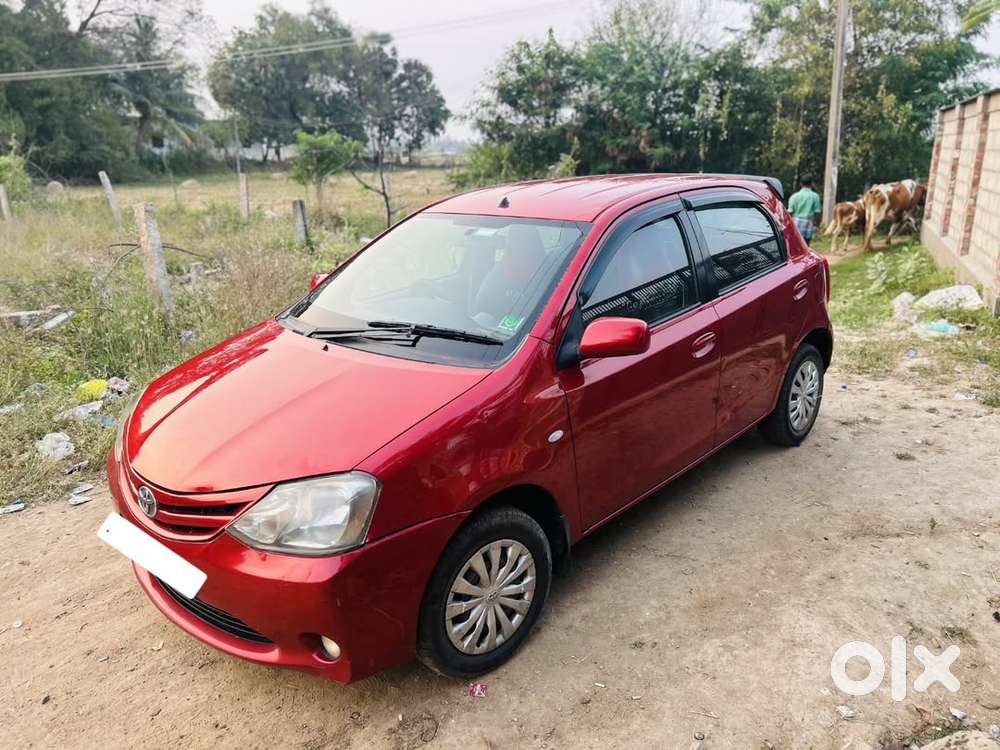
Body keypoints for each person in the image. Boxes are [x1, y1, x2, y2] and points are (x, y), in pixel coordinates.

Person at [788, 174, 822, 244]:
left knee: (796, 244)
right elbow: (818, 213)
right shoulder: (815, 196)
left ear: (801, 184)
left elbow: (790, 212)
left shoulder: (794, 196)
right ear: (812, 183)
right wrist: (817, 225)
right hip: (809, 223)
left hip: (796, 222)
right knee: (806, 246)